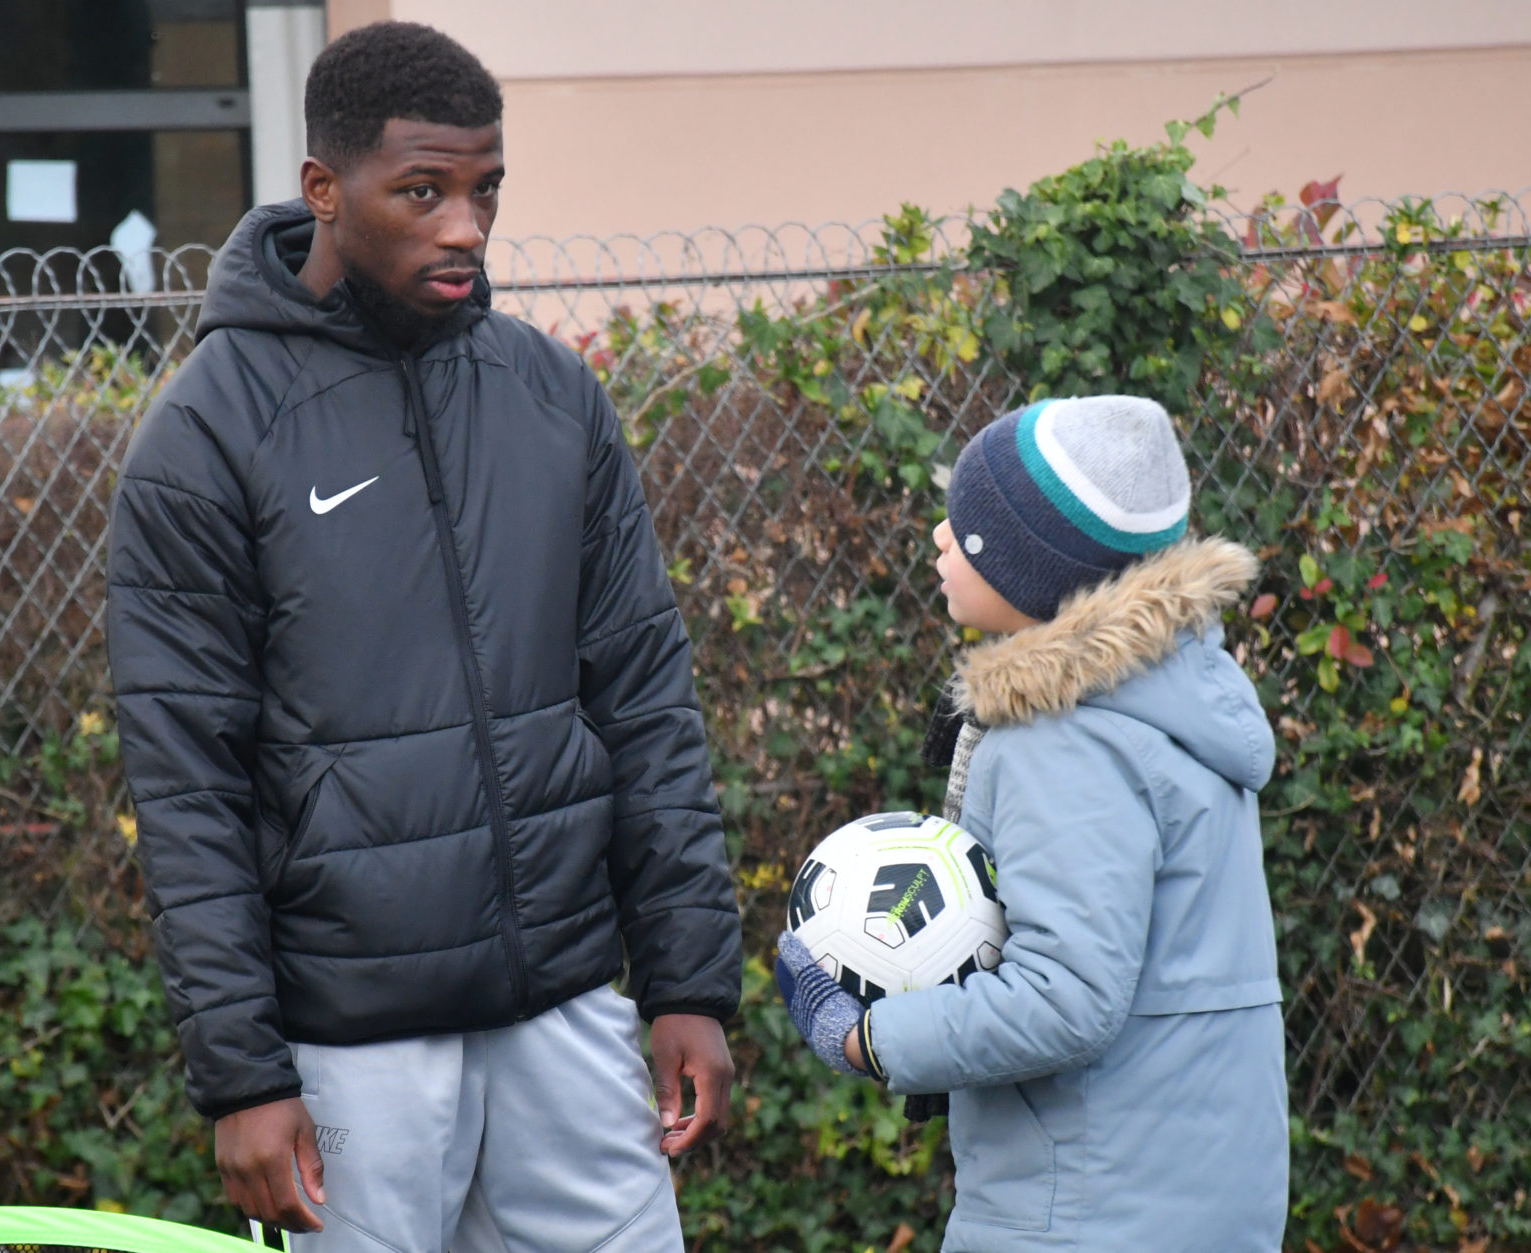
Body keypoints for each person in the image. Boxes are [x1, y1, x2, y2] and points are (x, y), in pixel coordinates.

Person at [104, 22, 740, 1252]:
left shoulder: (551, 395)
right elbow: (187, 782)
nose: (466, 226)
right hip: (352, 1042)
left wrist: (687, 980)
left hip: (566, 1010)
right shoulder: (209, 434)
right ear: (324, 190)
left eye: (485, 189)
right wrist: (243, 1073)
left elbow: (646, 698)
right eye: (423, 191)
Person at [774, 394, 1290, 1250]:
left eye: (965, 526)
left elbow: (1065, 998)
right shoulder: (1170, 704)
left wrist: (863, 1036)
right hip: (1190, 1192)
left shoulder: (1064, 738)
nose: (940, 537)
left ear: (1031, 567)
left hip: (1084, 1212)